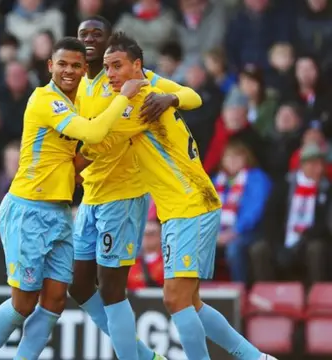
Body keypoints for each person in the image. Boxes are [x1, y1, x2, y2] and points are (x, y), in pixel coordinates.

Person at [81, 31, 276, 360]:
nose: (111, 74)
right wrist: (172, 97)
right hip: (178, 208)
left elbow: (93, 141)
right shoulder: (155, 88)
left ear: (137, 65)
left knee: (176, 299)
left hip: (191, 204)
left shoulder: (139, 105)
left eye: (117, 66)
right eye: (106, 67)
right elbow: (191, 95)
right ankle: (255, 357)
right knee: (191, 303)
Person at [0, 36, 146, 360]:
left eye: (76, 65)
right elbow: (92, 133)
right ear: (50, 66)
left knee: (55, 301)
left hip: (60, 212)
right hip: (28, 209)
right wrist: (124, 99)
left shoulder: (75, 106)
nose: (69, 70)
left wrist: (103, 149)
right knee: (23, 302)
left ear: (84, 69)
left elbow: (73, 161)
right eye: (62, 63)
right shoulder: (45, 99)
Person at [71, 15, 203, 360]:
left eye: (96, 34)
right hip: (91, 195)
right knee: (79, 285)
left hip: (123, 195)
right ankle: (147, 357)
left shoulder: (128, 85)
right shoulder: (82, 85)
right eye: (83, 34)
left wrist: (170, 99)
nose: (89, 39)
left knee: (113, 290)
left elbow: (189, 95)